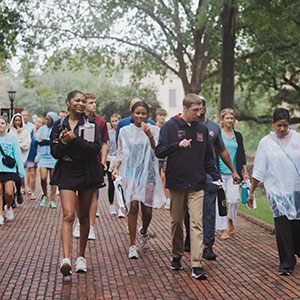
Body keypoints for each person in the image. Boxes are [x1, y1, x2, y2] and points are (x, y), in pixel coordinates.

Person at [155, 93, 221, 280]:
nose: (198, 114)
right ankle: (176, 255)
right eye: (194, 110)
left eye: (200, 110)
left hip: (197, 183)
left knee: (196, 222)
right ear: (184, 109)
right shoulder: (170, 127)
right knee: (176, 221)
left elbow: (208, 157)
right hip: (177, 182)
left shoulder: (202, 130)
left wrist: (216, 176)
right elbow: (159, 151)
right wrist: (178, 145)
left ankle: (196, 264)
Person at [50, 90, 103, 275]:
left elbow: (94, 148)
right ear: (68, 102)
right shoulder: (59, 125)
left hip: (87, 172)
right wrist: (64, 142)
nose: (81, 103)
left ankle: (81, 257)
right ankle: (66, 259)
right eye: (77, 100)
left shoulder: (90, 124)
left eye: (83, 101)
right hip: (67, 172)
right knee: (68, 215)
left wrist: (75, 140)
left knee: (83, 217)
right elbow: (54, 152)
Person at [184, 97, 240, 260]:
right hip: (190, 175)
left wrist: (233, 171)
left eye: (202, 106)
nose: (200, 108)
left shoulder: (214, 128)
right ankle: (189, 240)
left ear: (205, 107)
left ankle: (208, 246)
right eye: (196, 106)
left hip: (209, 175)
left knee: (209, 211)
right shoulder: (185, 126)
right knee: (189, 211)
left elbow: (222, 151)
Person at [248, 108, 300, 276]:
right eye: (279, 125)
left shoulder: (298, 138)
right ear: (273, 124)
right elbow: (259, 170)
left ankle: (294, 254)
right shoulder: (266, 143)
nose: (282, 129)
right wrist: (251, 192)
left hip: (296, 190)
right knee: (282, 227)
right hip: (277, 192)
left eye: (285, 125)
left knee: (296, 226)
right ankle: (286, 262)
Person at [112, 101, 165, 259]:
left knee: (147, 210)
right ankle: (132, 244)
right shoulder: (124, 131)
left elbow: (158, 150)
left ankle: (144, 231)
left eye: (143, 113)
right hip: (130, 172)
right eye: (137, 113)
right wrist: (116, 168)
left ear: (147, 115)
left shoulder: (154, 130)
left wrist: (149, 136)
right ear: (132, 113)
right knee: (133, 206)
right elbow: (121, 152)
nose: (140, 116)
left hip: (148, 173)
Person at [72, 93, 108, 240]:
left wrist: (103, 161)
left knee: (93, 195)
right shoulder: (76, 120)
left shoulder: (101, 122)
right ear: (83, 105)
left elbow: (104, 143)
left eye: (95, 102)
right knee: (75, 194)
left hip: (94, 161)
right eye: (91, 102)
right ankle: (79, 222)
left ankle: (91, 227)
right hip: (77, 162)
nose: (94, 105)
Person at [216, 108, 249, 239]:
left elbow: (241, 154)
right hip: (219, 173)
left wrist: (245, 172)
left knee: (234, 200)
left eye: (231, 118)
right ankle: (223, 229)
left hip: (233, 174)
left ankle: (230, 219)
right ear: (222, 120)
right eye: (227, 118)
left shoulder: (238, 136)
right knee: (221, 202)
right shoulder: (218, 135)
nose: (229, 121)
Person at [0, 116, 25, 225]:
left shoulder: (12, 138)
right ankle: (0, 215)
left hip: (9, 169)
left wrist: (21, 170)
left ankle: (8, 206)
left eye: (2, 123)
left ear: (6, 125)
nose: (0, 125)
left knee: (9, 193)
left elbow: (17, 154)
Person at [35, 112, 58, 208]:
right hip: (43, 156)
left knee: (53, 179)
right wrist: (47, 141)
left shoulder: (56, 129)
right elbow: (37, 139)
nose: (46, 121)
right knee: (43, 177)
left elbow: (55, 141)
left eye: (48, 119)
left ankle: (52, 200)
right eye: (46, 119)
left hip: (53, 157)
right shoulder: (41, 129)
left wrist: (45, 140)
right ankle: (45, 194)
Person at [9, 113, 31, 201]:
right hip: (11, 158)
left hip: (21, 157)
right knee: (10, 178)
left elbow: (26, 144)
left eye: (19, 120)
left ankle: (18, 191)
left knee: (18, 176)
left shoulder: (25, 132)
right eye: (16, 120)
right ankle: (12, 196)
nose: (17, 122)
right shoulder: (10, 131)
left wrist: (19, 135)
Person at [107, 113, 122, 216]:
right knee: (111, 184)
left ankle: (121, 207)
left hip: (120, 160)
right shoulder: (108, 133)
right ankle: (111, 204)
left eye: (116, 121)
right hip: (110, 159)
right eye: (112, 121)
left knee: (120, 184)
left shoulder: (122, 132)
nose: (114, 123)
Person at [25, 117, 44, 200]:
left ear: (42, 124)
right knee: (32, 173)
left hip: (40, 155)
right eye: (36, 122)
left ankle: (43, 191)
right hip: (31, 155)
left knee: (42, 174)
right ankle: (32, 191)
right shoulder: (32, 131)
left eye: (39, 122)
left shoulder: (43, 132)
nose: (37, 123)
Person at [155, 108, 171, 209]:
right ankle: (157, 198)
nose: (162, 117)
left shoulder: (167, 127)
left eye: (163, 115)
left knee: (165, 177)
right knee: (156, 178)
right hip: (156, 156)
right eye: (160, 115)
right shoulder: (153, 127)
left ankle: (168, 198)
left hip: (166, 156)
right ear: (156, 116)